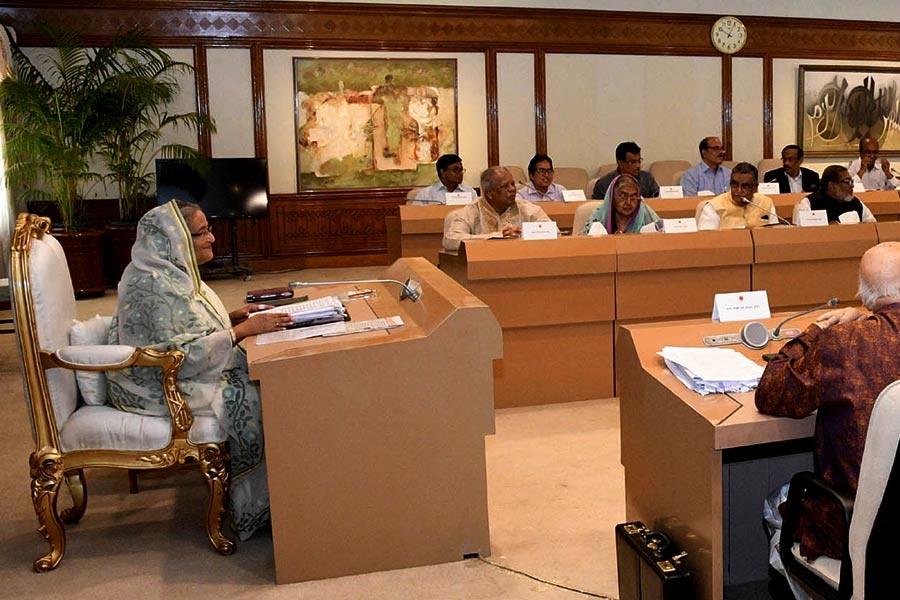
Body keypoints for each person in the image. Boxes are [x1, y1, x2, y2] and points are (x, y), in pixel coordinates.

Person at [106, 200, 293, 541]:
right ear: (173, 239)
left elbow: (189, 329)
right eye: (202, 232)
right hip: (158, 386)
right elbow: (176, 354)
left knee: (266, 370)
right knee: (258, 393)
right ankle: (258, 508)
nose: (213, 239)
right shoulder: (152, 284)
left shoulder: (169, 272)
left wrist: (232, 318)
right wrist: (239, 333)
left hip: (179, 372)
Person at [755, 242, 900, 598]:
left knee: (778, 503)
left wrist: (817, 329)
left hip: (864, 536)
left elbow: (771, 392)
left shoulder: (845, 341)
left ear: (864, 296)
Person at [443, 166, 552, 251]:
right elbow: (451, 239)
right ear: (490, 193)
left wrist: (525, 233)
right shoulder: (471, 211)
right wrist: (495, 237)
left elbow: (554, 233)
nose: (512, 189)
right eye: (505, 186)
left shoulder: (527, 209)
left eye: (513, 184)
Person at [696, 162, 778, 230]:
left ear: (755, 188)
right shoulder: (714, 207)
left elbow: (776, 234)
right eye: (735, 185)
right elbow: (707, 239)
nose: (739, 191)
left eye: (745, 186)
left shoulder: (766, 203)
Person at [792, 165, 876, 224]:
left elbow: (872, 226)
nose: (852, 185)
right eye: (847, 181)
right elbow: (801, 233)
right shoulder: (808, 203)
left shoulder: (856, 203)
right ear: (832, 185)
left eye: (852, 181)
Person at [582, 173, 659, 235]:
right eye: (623, 196)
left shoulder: (646, 214)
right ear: (612, 197)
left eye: (634, 197)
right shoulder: (599, 216)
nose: (628, 202)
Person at [591, 141, 660, 199]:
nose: (638, 165)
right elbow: (597, 210)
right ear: (620, 163)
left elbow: (658, 199)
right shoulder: (604, 184)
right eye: (633, 162)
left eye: (639, 161)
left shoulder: (647, 178)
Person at [410, 153, 476, 205]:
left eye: (461, 170)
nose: (460, 173)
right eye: (455, 170)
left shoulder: (469, 191)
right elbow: (414, 217)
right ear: (443, 172)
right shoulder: (426, 194)